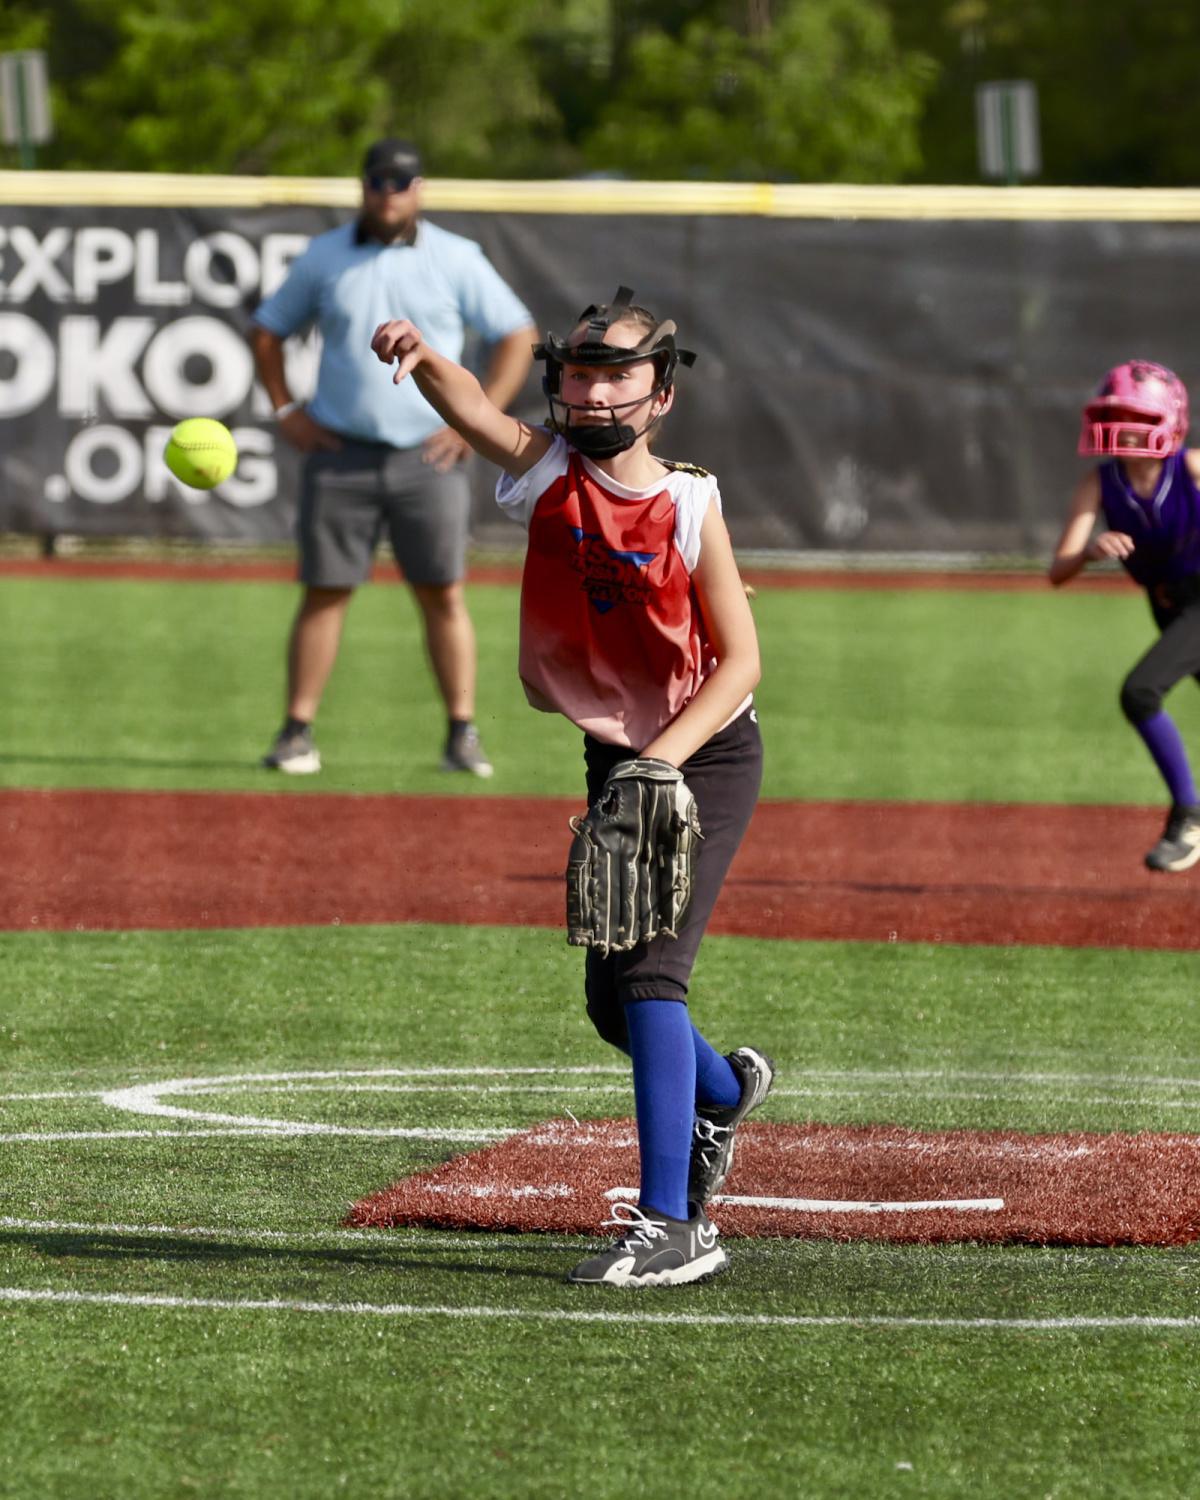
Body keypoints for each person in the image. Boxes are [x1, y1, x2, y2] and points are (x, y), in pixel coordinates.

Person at [371, 288, 775, 1288]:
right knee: (612, 1004)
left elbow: (741, 664)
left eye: (617, 374)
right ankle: (724, 1093)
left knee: (649, 980)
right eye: (580, 373)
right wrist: (423, 356)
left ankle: (677, 1227)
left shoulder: (689, 501)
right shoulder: (547, 474)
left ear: (662, 391)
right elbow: (473, 409)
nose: (592, 393)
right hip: (619, 760)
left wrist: (660, 762)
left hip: (704, 754)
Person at [250, 138, 537, 777]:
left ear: (420, 189)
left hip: (426, 457)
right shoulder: (326, 256)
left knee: (442, 591)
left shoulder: (455, 257)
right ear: (363, 187)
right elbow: (268, 330)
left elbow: (517, 334)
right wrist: (285, 412)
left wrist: (476, 422)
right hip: (341, 449)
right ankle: (297, 730)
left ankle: (462, 733)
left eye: (401, 182)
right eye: (379, 181)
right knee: (324, 590)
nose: (389, 193)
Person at [1050, 358, 1200, 872]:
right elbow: (1057, 571)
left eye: (1133, 415)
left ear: (1167, 421)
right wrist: (1090, 553)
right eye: (1112, 412)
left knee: (1140, 692)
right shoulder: (1101, 484)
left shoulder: (1193, 468)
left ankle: (1190, 817)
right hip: (1171, 606)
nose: (1119, 426)